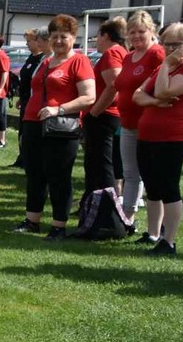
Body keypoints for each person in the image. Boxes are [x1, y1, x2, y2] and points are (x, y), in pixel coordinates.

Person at [11, 14, 95, 239]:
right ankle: (32, 220)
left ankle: (59, 226)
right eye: (54, 36)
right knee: (34, 174)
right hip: (33, 124)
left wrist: (59, 109)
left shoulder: (79, 62)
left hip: (60, 127)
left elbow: (89, 97)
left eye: (63, 36)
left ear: (73, 38)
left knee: (59, 176)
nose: (58, 41)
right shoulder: (47, 61)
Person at [131, 23, 183, 256]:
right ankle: (153, 233)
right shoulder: (161, 69)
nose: (169, 49)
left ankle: (168, 240)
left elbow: (165, 91)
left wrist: (165, 65)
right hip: (148, 134)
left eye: (175, 44)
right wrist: (155, 101)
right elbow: (138, 96)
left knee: (169, 187)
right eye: (166, 44)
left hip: (172, 136)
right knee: (152, 186)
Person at [113, 10, 165, 236]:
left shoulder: (156, 54)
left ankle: (155, 226)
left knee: (149, 174)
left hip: (148, 123)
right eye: (131, 32)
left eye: (141, 32)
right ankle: (128, 218)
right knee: (130, 173)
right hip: (127, 122)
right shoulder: (129, 56)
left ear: (151, 31)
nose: (135, 36)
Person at [82, 17, 126, 196]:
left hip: (103, 116)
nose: (97, 42)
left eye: (97, 37)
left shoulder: (112, 53)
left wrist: (94, 112)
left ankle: (107, 204)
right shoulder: (121, 51)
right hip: (108, 115)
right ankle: (92, 201)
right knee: (97, 163)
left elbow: (113, 86)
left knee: (102, 164)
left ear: (106, 36)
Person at [12, 29, 48, 169]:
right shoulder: (30, 58)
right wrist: (21, 98)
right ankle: (22, 158)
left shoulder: (42, 59)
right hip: (26, 100)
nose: (27, 44)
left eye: (29, 41)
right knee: (23, 131)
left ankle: (27, 160)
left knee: (29, 133)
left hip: (34, 101)